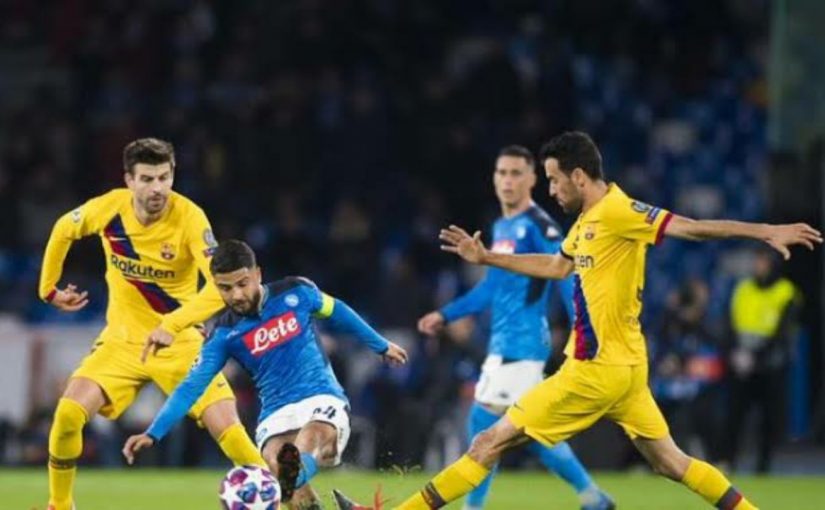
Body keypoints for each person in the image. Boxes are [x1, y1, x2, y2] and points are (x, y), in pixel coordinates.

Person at [333, 131, 822, 510]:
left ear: (580, 177)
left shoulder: (619, 211)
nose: (550, 189)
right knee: (672, 462)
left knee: (488, 439)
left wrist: (764, 231)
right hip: (626, 370)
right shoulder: (586, 223)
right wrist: (487, 257)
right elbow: (556, 266)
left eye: (554, 179)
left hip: (594, 371)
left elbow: (691, 229)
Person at [39, 138, 265, 510]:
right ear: (129, 180)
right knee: (66, 416)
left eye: (164, 177)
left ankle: (285, 503)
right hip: (121, 343)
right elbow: (64, 228)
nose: (157, 188)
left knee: (230, 431)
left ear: (172, 175)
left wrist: (172, 325)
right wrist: (48, 289)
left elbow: (219, 287)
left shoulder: (190, 218)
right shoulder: (109, 209)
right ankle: (60, 505)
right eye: (147, 179)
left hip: (181, 344)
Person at [122, 240, 408, 510]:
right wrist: (153, 433)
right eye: (225, 288)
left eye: (242, 284)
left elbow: (338, 311)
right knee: (276, 461)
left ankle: (278, 487)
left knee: (309, 441)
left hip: (321, 398)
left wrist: (381, 345)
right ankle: (288, 486)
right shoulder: (223, 335)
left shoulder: (296, 292)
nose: (236, 295)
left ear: (258, 274)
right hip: (276, 413)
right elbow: (190, 387)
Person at [417, 145, 613, 510]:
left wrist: (581, 326)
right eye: (502, 173)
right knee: (531, 431)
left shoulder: (539, 224)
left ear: (532, 179)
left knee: (483, 424)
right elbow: (491, 287)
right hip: (505, 342)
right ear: (494, 178)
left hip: (523, 342)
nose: (508, 180)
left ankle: (473, 507)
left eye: (516, 173)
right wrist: (447, 314)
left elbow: (565, 273)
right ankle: (593, 497)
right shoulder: (502, 227)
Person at [722, 248, 801, 473]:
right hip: (741, 362)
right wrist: (734, 352)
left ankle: (763, 466)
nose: (758, 266)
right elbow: (730, 322)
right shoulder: (743, 288)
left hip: (770, 365)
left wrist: (754, 357)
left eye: (763, 262)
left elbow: (783, 333)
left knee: (768, 418)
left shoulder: (786, 292)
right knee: (734, 415)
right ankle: (728, 461)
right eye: (757, 261)